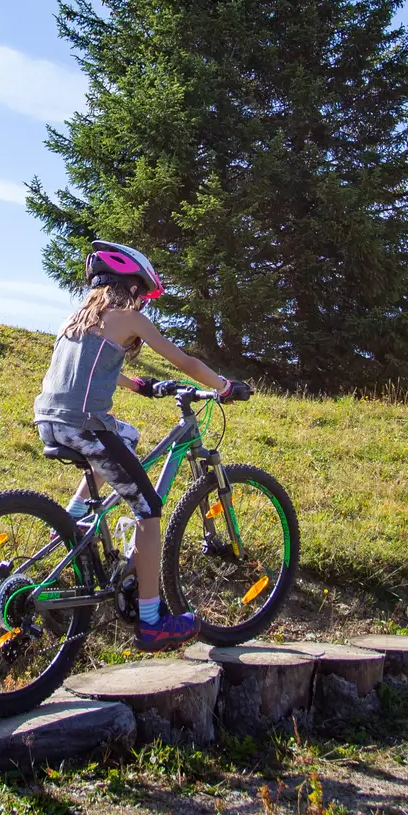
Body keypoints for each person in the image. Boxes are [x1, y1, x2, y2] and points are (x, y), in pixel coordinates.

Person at [33, 240, 252, 652]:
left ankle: (77, 517)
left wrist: (137, 385)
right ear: (131, 287)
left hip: (51, 421)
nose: (143, 303)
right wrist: (224, 386)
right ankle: (151, 622)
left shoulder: (76, 321)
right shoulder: (129, 318)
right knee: (149, 511)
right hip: (85, 427)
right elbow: (183, 361)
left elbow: (91, 368)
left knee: (128, 436)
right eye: (142, 293)